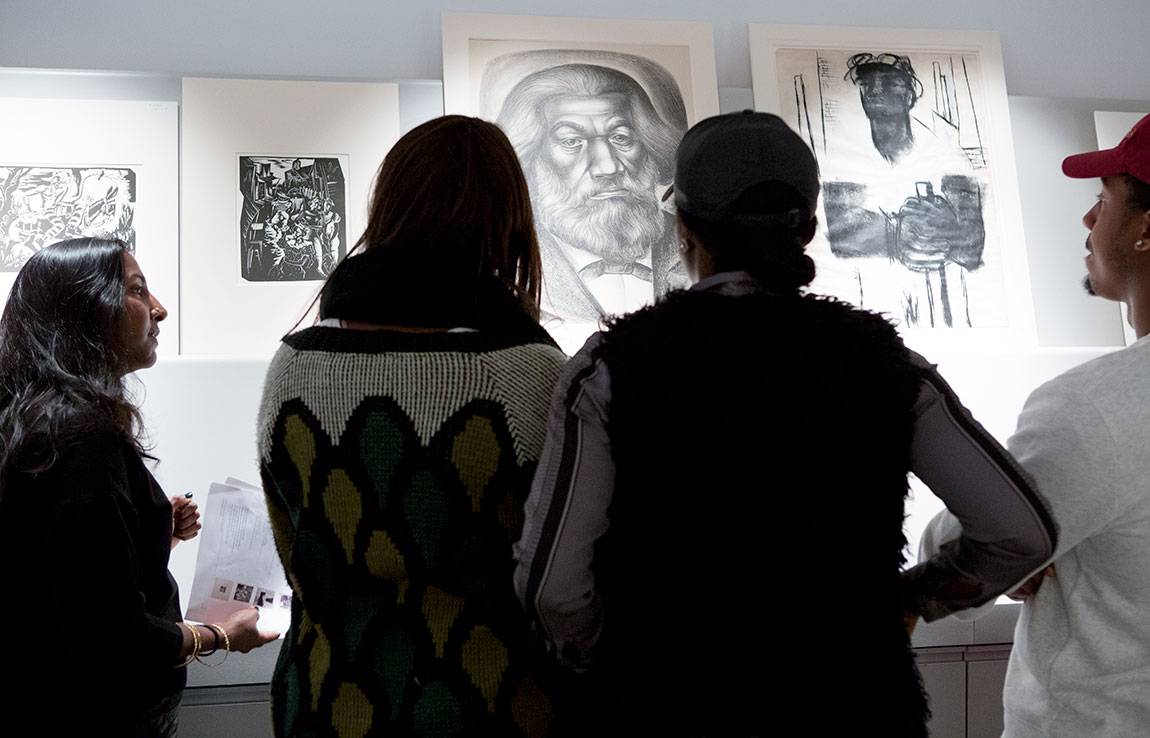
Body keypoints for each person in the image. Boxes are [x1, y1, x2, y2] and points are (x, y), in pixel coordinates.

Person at [513, 111, 1057, 736]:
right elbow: (1021, 534)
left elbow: (552, 587)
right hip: (852, 708)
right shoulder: (884, 363)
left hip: (664, 708)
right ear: (810, 227)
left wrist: (604, 650)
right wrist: (912, 598)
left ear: (683, 225)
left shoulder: (611, 368)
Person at [257, 116, 567, 737]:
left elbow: (295, 550)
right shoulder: (531, 374)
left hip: (324, 702)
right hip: (492, 708)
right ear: (507, 222)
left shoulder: (292, 366)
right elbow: (555, 584)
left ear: (388, 207)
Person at [920, 112, 1150, 736]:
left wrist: (1021, 547)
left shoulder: (1098, 409)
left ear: (1146, 230)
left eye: (1103, 201)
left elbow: (962, 553)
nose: (1087, 220)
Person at [0, 237, 277, 737]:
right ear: (87, 310)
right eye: (137, 290)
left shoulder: (33, 423)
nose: (160, 309)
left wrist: (149, 532)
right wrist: (217, 635)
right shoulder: (85, 440)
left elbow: (55, 568)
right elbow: (108, 633)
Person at [495, 61, 687, 344]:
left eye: (621, 137)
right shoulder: (509, 262)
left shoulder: (694, 246)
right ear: (532, 157)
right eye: (572, 141)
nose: (607, 167)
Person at [822, 53, 986, 327]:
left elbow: (973, 246)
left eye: (888, 82)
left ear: (909, 95)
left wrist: (945, 227)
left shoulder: (945, 152)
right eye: (867, 83)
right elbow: (841, 236)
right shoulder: (843, 154)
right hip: (869, 301)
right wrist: (899, 232)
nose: (874, 90)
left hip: (940, 304)